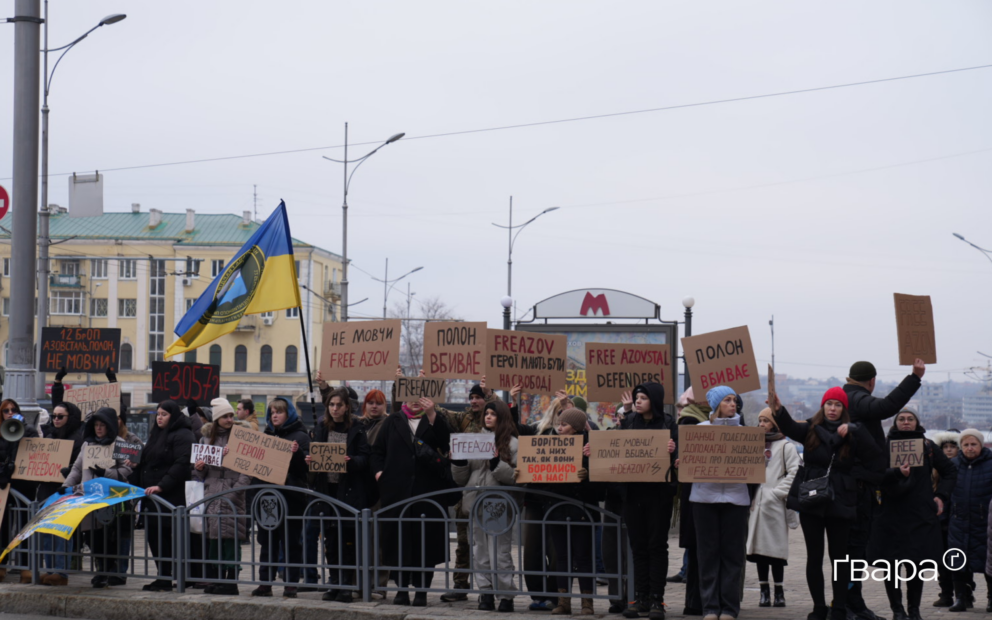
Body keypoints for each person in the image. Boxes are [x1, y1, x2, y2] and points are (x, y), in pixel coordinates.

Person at [773, 387, 884, 620]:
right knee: (814, 556)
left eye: (838, 405)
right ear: (822, 406)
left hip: (840, 500)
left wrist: (855, 430)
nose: (832, 409)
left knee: (839, 557)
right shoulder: (811, 428)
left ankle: (839, 608)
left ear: (844, 409)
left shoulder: (853, 432)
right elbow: (790, 427)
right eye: (829, 404)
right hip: (812, 499)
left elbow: (876, 458)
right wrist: (779, 410)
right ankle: (819, 607)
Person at [843, 359, 925, 620]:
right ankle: (846, 605)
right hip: (856, 490)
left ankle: (854, 603)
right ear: (872, 381)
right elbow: (886, 407)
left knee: (855, 551)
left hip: (859, 486)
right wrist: (914, 377)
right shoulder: (856, 398)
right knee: (852, 552)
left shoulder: (847, 398)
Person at [867, 408, 956, 620]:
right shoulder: (883, 446)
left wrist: (941, 496)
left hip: (919, 514)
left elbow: (950, 471)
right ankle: (898, 611)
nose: (906, 422)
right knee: (891, 565)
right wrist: (896, 472)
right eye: (901, 419)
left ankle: (914, 611)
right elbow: (872, 475)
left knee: (916, 564)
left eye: (910, 419)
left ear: (917, 423)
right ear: (895, 423)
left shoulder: (928, 446)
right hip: (889, 514)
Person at [371, 396, 452, 607]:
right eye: (411, 396)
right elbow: (377, 451)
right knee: (399, 542)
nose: (416, 401)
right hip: (397, 493)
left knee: (425, 543)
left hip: (428, 492)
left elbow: (446, 444)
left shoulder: (436, 419)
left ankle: (422, 590)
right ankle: (402, 588)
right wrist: (380, 474)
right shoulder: (393, 421)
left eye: (421, 397)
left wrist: (432, 414)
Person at [682, 386, 751, 620]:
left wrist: (760, 459)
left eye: (734, 400)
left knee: (733, 555)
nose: (733, 404)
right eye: (727, 400)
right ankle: (710, 607)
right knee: (707, 554)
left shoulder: (745, 433)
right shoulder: (699, 431)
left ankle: (729, 608)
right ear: (716, 405)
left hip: (736, 499)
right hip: (704, 499)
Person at [435, 377, 502, 602]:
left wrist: (490, 393)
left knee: (493, 545)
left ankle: (494, 588)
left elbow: (503, 409)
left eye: (478, 398)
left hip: (491, 492)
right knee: (464, 542)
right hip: (468, 492)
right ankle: (460, 585)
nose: (474, 401)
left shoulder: (498, 421)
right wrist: (426, 392)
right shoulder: (463, 418)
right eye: (471, 398)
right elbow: (441, 412)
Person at [306, 386, 374, 602]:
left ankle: (346, 584)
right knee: (330, 542)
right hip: (327, 492)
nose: (334, 409)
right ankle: (334, 582)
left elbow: (365, 458)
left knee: (347, 541)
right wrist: (310, 460)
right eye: (331, 405)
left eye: (339, 405)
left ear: (346, 407)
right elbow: (314, 453)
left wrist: (351, 461)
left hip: (349, 492)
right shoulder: (321, 428)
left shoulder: (357, 429)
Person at [452, 400, 519, 612]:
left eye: (493, 413)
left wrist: (496, 462)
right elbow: (461, 479)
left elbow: (517, 478)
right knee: (480, 552)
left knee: (499, 553)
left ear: (502, 417)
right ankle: (485, 593)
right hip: (475, 504)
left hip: (498, 506)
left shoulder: (513, 444)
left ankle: (506, 596)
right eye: (486, 413)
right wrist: (459, 462)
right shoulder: (474, 441)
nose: (488, 416)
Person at [619, 382, 677, 620]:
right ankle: (640, 597)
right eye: (636, 398)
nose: (638, 401)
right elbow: (615, 450)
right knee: (638, 547)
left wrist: (673, 450)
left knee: (656, 546)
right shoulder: (629, 422)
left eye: (643, 397)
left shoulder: (668, 424)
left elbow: (678, 459)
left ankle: (656, 599)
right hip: (633, 494)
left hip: (658, 496)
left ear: (655, 400)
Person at [509, 387, 568, 611]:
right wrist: (514, 402)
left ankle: (555, 594)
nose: (562, 418)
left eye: (567, 413)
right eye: (560, 411)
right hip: (534, 500)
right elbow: (514, 428)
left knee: (556, 551)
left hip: (559, 501)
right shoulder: (536, 431)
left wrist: (568, 406)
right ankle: (538, 594)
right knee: (532, 550)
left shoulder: (575, 438)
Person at [62, 407, 133, 588]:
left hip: (110, 500)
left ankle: (107, 572)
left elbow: (126, 470)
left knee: (109, 538)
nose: (99, 428)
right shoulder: (87, 444)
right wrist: (65, 486)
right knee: (92, 537)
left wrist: (105, 473)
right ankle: (101, 570)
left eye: (102, 425)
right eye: (96, 425)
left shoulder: (119, 443)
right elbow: (77, 469)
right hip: (89, 499)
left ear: (109, 426)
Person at [543, 408, 603, 616]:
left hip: (581, 510)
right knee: (562, 557)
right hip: (557, 509)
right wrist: (525, 474)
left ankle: (587, 603)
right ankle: (564, 601)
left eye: (564, 424)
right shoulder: (551, 446)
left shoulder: (589, 447)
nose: (559, 428)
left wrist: (587, 476)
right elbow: (543, 479)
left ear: (576, 428)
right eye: (558, 424)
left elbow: (601, 486)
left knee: (583, 557)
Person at [250, 398, 311, 598]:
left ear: (289, 414)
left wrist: (297, 453)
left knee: (291, 542)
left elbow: (305, 470)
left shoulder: (301, 437)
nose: (274, 416)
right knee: (267, 541)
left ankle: (291, 584)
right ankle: (265, 583)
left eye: (279, 412)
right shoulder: (266, 436)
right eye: (272, 412)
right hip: (268, 498)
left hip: (291, 499)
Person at [192, 398, 252, 596]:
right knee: (214, 539)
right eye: (225, 416)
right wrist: (199, 468)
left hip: (233, 494)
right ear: (217, 419)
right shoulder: (205, 440)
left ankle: (231, 581)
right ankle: (217, 579)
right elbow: (201, 473)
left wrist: (235, 492)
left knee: (232, 540)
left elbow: (247, 471)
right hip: (213, 493)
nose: (229, 419)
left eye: (231, 415)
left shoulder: (241, 438)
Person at [133, 399, 194, 592]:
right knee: (155, 537)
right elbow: (148, 460)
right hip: (152, 497)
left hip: (171, 496)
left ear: (173, 416)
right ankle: (163, 575)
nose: (159, 418)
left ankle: (177, 576)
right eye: (158, 414)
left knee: (170, 538)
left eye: (164, 414)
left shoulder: (184, 434)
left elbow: (182, 463)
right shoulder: (156, 434)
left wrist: (161, 486)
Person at [745, 408, 800, 609]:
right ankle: (764, 592)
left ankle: (779, 592)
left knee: (775, 551)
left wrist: (777, 493)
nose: (761, 424)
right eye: (760, 420)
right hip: (756, 506)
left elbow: (795, 472)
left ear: (775, 423)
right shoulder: (754, 444)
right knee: (759, 551)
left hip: (776, 505)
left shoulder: (786, 446)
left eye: (766, 421)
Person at [37, 401, 84, 586]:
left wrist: (68, 471)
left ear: (70, 417)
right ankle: (50, 570)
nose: (56, 419)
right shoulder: (50, 435)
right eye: (54, 416)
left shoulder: (77, 439)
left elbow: (79, 467)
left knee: (62, 531)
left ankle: (61, 571)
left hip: (65, 490)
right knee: (47, 531)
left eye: (60, 416)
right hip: (47, 489)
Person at [946, 428, 992, 612]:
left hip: (985, 523)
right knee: (957, 562)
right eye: (965, 445)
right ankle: (962, 598)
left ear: (981, 445)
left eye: (974, 444)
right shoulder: (953, 465)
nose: (970, 448)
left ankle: (991, 598)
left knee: (989, 562)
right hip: (958, 522)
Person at [676, 386, 711, 616]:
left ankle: (698, 601)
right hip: (696, 494)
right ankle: (696, 602)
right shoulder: (690, 421)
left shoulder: (706, 419)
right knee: (700, 549)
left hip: (703, 493)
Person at [0, 398, 40, 583]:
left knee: (24, 527)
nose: (10, 413)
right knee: (3, 527)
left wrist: (21, 429)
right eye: (6, 410)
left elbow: (35, 452)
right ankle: (2, 564)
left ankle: (25, 567)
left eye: (13, 410)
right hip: (5, 486)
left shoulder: (28, 431)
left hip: (24, 487)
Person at [931, 430, 961, 607]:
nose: (949, 450)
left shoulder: (963, 469)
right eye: (945, 447)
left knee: (959, 559)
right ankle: (946, 593)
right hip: (940, 521)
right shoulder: (934, 471)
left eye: (952, 447)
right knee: (941, 560)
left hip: (958, 520)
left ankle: (964, 594)